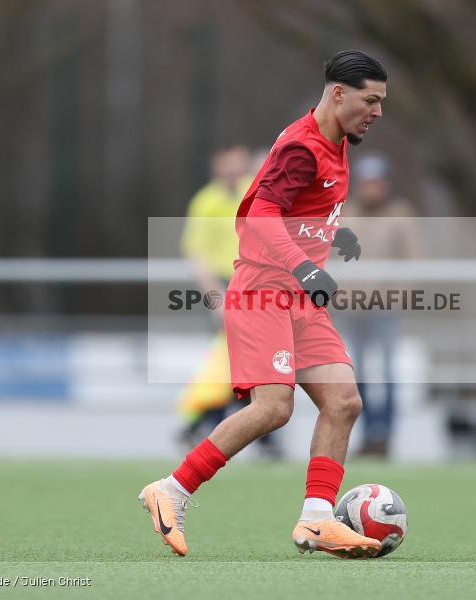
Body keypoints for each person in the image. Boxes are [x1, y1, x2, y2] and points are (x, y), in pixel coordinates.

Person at [140, 49, 388, 559]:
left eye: (381, 102)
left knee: (344, 402)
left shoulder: (339, 141)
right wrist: (304, 267)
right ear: (338, 94)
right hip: (263, 292)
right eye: (370, 100)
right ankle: (171, 490)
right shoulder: (302, 148)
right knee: (274, 407)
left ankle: (317, 519)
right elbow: (261, 216)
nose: (378, 112)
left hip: (299, 298)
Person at [177, 146, 281, 458]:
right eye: (228, 165)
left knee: (247, 362)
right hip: (224, 285)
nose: (235, 171)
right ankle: (210, 425)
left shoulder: (253, 190)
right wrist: (215, 298)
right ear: (217, 168)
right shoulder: (206, 201)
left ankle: (208, 426)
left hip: (254, 283)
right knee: (230, 363)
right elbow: (196, 254)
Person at [342, 154, 420, 457]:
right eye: (366, 183)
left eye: (376, 183)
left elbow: (413, 261)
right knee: (356, 371)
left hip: (386, 306)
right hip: (352, 306)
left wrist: (396, 295)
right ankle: (364, 434)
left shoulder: (400, 215)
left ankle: (384, 434)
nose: (371, 189)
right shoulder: (347, 213)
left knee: (387, 370)